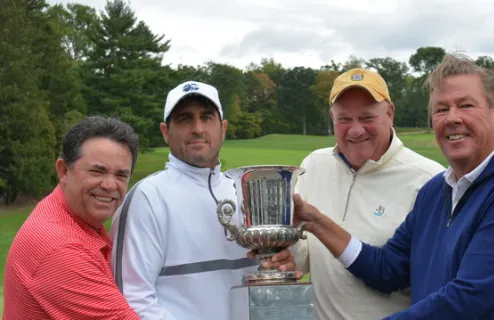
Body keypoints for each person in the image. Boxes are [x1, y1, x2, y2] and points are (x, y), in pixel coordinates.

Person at [291, 53, 494, 319]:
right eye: (441, 109)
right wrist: (315, 222)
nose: (452, 118)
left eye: (465, 105)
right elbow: (387, 270)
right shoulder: (435, 191)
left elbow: (465, 300)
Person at [110, 80, 300, 320]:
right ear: (165, 132)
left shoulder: (244, 192)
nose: (197, 128)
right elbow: (131, 299)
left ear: (223, 128)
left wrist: (278, 266)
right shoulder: (148, 197)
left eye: (207, 117)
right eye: (184, 119)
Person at [290, 67, 446, 319]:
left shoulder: (428, 179)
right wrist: (286, 256)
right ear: (332, 117)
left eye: (367, 118)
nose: (355, 130)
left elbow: (434, 283)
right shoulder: (313, 166)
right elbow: (301, 259)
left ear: (390, 114)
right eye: (344, 119)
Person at [3, 116, 141, 319]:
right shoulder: (62, 250)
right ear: (63, 171)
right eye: (97, 171)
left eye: (121, 175)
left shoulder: (66, 216)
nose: (110, 185)